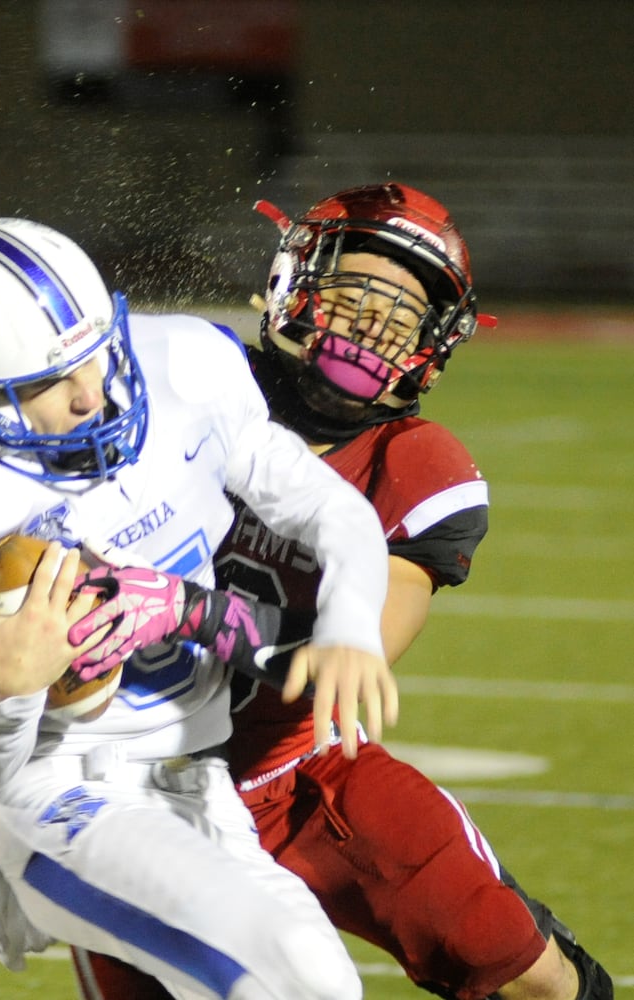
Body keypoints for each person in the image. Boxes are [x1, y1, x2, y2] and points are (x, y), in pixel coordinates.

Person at [68, 187, 614, 999]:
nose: (371, 329)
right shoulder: (189, 385)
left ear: (431, 345)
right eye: (355, 297)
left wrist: (190, 612)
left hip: (301, 781)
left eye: (399, 319)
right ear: (295, 284)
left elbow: (349, 659)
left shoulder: (414, 462)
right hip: (128, 795)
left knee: (527, 977)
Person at [0, 218, 398, 1000]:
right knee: (277, 974)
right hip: (61, 798)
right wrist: (12, 689)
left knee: (325, 985)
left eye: (93, 354)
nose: (91, 392)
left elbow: (333, 510)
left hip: (202, 779)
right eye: (49, 383)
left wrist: (350, 625)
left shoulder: (181, 363)